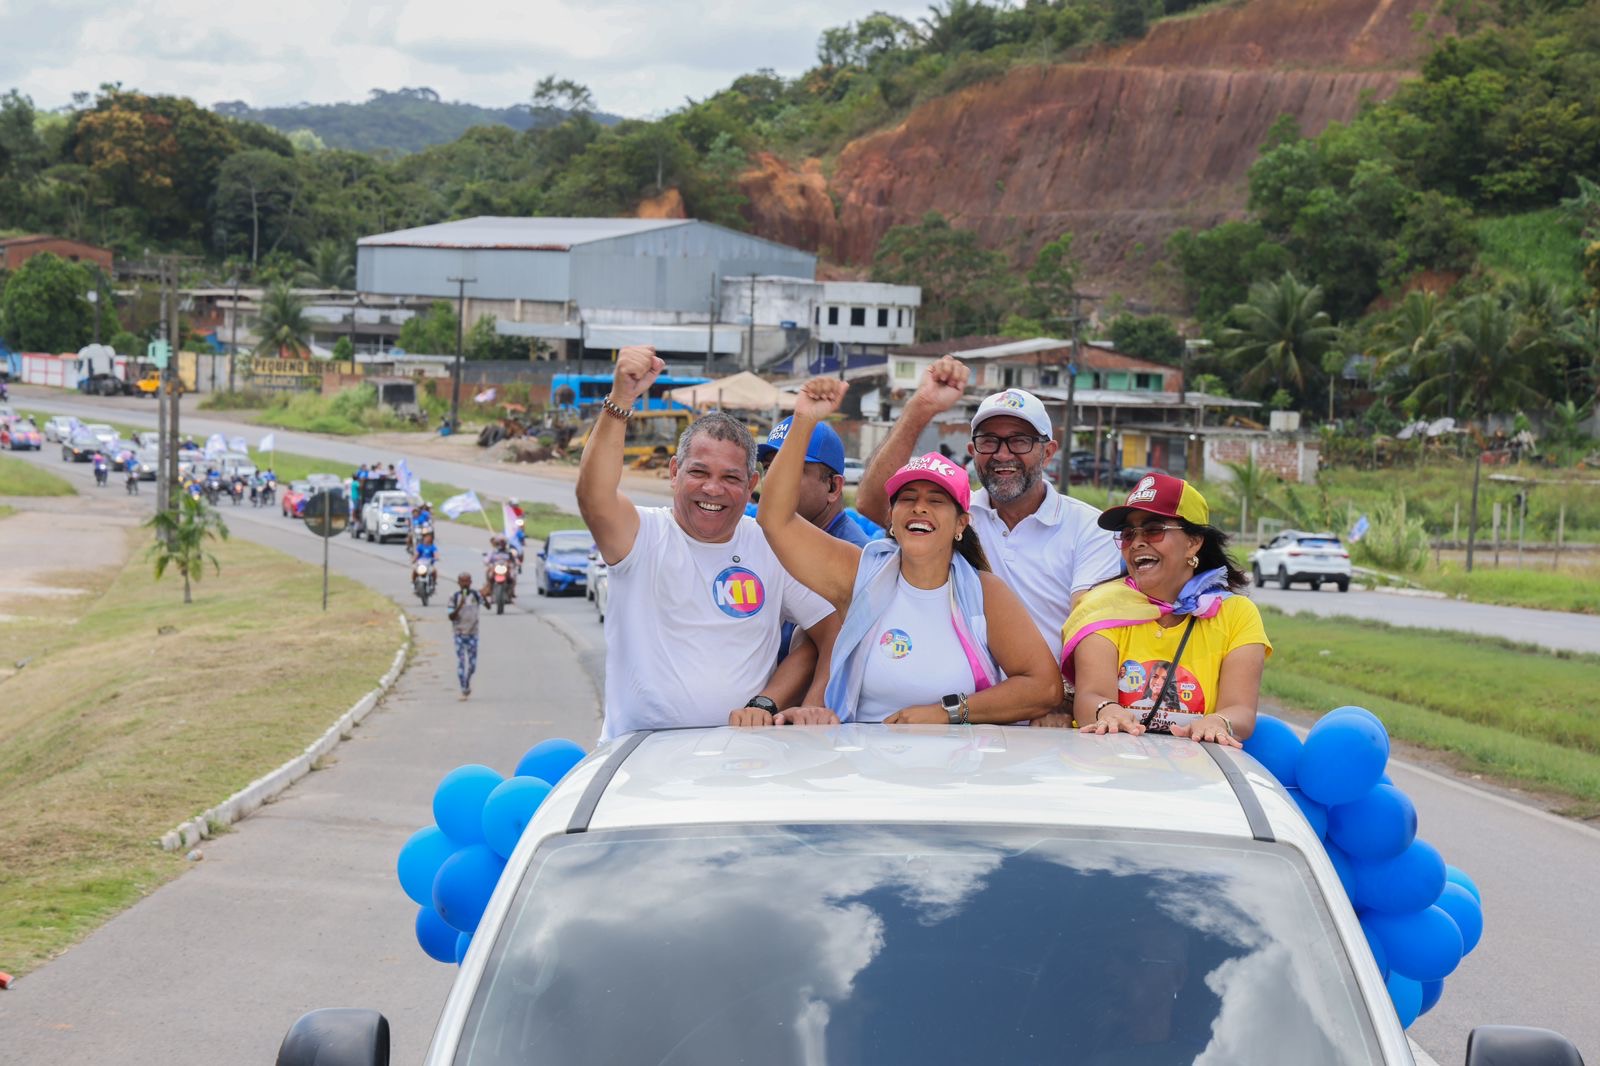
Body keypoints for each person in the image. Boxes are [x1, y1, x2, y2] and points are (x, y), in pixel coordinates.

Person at [759, 377, 1060, 725]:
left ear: (961, 523)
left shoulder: (984, 592)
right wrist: (803, 421)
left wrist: (948, 712)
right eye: (907, 499)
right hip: (863, 764)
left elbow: (1043, 687)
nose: (919, 509)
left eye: (935, 501)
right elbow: (775, 520)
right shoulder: (860, 575)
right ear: (891, 517)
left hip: (956, 771)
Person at [577, 345, 840, 740]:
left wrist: (797, 701)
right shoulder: (641, 535)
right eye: (699, 472)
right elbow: (594, 497)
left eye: (731, 478)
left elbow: (833, 626)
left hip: (739, 761)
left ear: (752, 486)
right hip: (641, 756)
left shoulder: (770, 547)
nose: (713, 489)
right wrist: (620, 400)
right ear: (674, 472)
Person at [858, 358, 1122, 662]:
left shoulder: (1090, 528)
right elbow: (872, 503)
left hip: (1049, 699)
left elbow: (1086, 627)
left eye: (1020, 441)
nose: (1002, 454)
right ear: (972, 452)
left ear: (1048, 452)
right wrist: (922, 406)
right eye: (989, 441)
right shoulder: (954, 517)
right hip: (959, 692)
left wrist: (1061, 696)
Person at [1060, 473, 1270, 745]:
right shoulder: (1100, 607)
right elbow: (1091, 696)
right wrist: (1107, 711)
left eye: (1153, 529)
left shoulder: (1237, 614)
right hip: (1111, 764)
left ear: (1193, 541)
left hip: (1198, 771)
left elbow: (1240, 710)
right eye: (1127, 534)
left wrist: (1217, 722)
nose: (1136, 543)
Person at [446, 572, 485, 698]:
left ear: (470, 582)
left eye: (467, 581)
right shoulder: (454, 597)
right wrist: (460, 605)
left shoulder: (475, 595)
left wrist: (485, 592)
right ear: (458, 583)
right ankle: (463, 687)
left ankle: (467, 681)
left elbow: (488, 605)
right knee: (462, 661)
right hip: (459, 634)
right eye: (462, 581)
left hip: (473, 634)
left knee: (472, 665)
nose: (465, 584)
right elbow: (451, 616)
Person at [482, 534, 517, 600]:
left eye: (503, 542)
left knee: (513, 576)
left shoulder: (509, 552)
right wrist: (487, 562)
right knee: (488, 573)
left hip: (506, 568)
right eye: (500, 542)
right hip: (495, 568)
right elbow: (487, 559)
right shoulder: (493, 552)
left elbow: (514, 561)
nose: (502, 544)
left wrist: (514, 563)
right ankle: (489, 588)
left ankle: (511, 592)